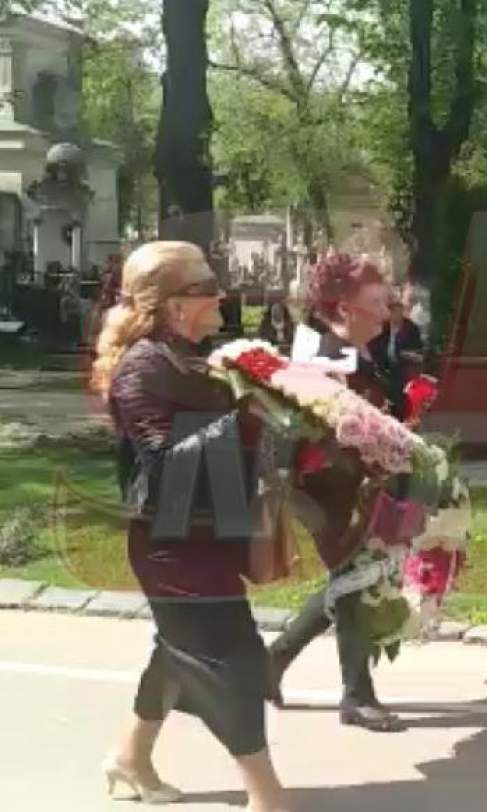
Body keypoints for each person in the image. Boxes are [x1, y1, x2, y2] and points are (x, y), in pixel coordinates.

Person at [91, 242, 292, 811]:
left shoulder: (188, 356)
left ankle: (129, 758)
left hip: (203, 532)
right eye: (207, 287)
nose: (221, 295)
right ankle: (268, 797)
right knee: (235, 660)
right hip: (170, 545)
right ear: (176, 304)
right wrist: (245, 420)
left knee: (180, 653)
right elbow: (165, 463)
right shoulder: (143, 368)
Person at [267, 253, 408, 731]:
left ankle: (274, 661)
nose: (386, 311)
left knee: (355, 579)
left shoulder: (364, 353)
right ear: (345, 308)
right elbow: (285, 445)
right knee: (355, 581)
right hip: (325, 496)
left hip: (362, 489)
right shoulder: (317, 361)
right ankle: (357, 695)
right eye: (376, 302)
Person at [368, 282, 425, 408]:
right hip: (383, 368)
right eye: (393, 311)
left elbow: (417, 350)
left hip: (403, 369)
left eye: (400, 311)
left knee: (397, 386)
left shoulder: (411, 329)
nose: (397, 314)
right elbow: (373, 347)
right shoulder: (383, 328)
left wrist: (406, 354)